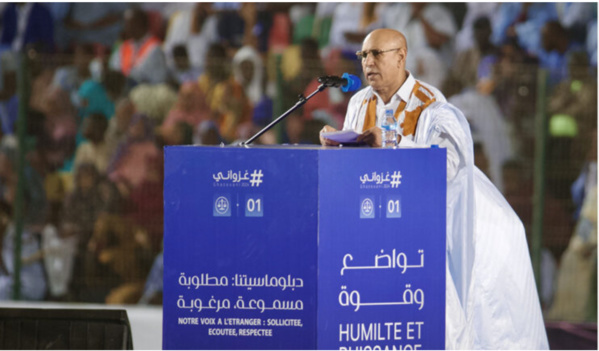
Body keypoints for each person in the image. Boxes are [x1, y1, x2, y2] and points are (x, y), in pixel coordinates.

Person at [320, 28, 548, 349]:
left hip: (438, 220)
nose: (368, 62)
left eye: (376, 54)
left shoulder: (431, 104)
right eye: (363, 55)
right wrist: (335, 146)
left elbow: (449, 164)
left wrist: (391, 142)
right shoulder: (359, 102)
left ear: (401, 57)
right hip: (379, 217)